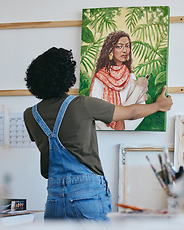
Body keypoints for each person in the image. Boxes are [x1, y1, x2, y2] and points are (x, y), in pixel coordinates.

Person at [23, 47, 172, 221]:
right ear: (66, 76)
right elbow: (130, 112)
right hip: (87, 197)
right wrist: (159, 106)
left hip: (55, 199)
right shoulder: (82, 104)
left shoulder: (30, 115)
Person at [90, 30, 149, 130]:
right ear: (110, 50)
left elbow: (140, 108)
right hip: (102, 132)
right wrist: (108, 130)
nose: (125, 50)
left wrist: (125, 128)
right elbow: (94, 109)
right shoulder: (100, 77)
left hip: (125, 131)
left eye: (127, 46)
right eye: (119, 46)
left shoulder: (131, 77)